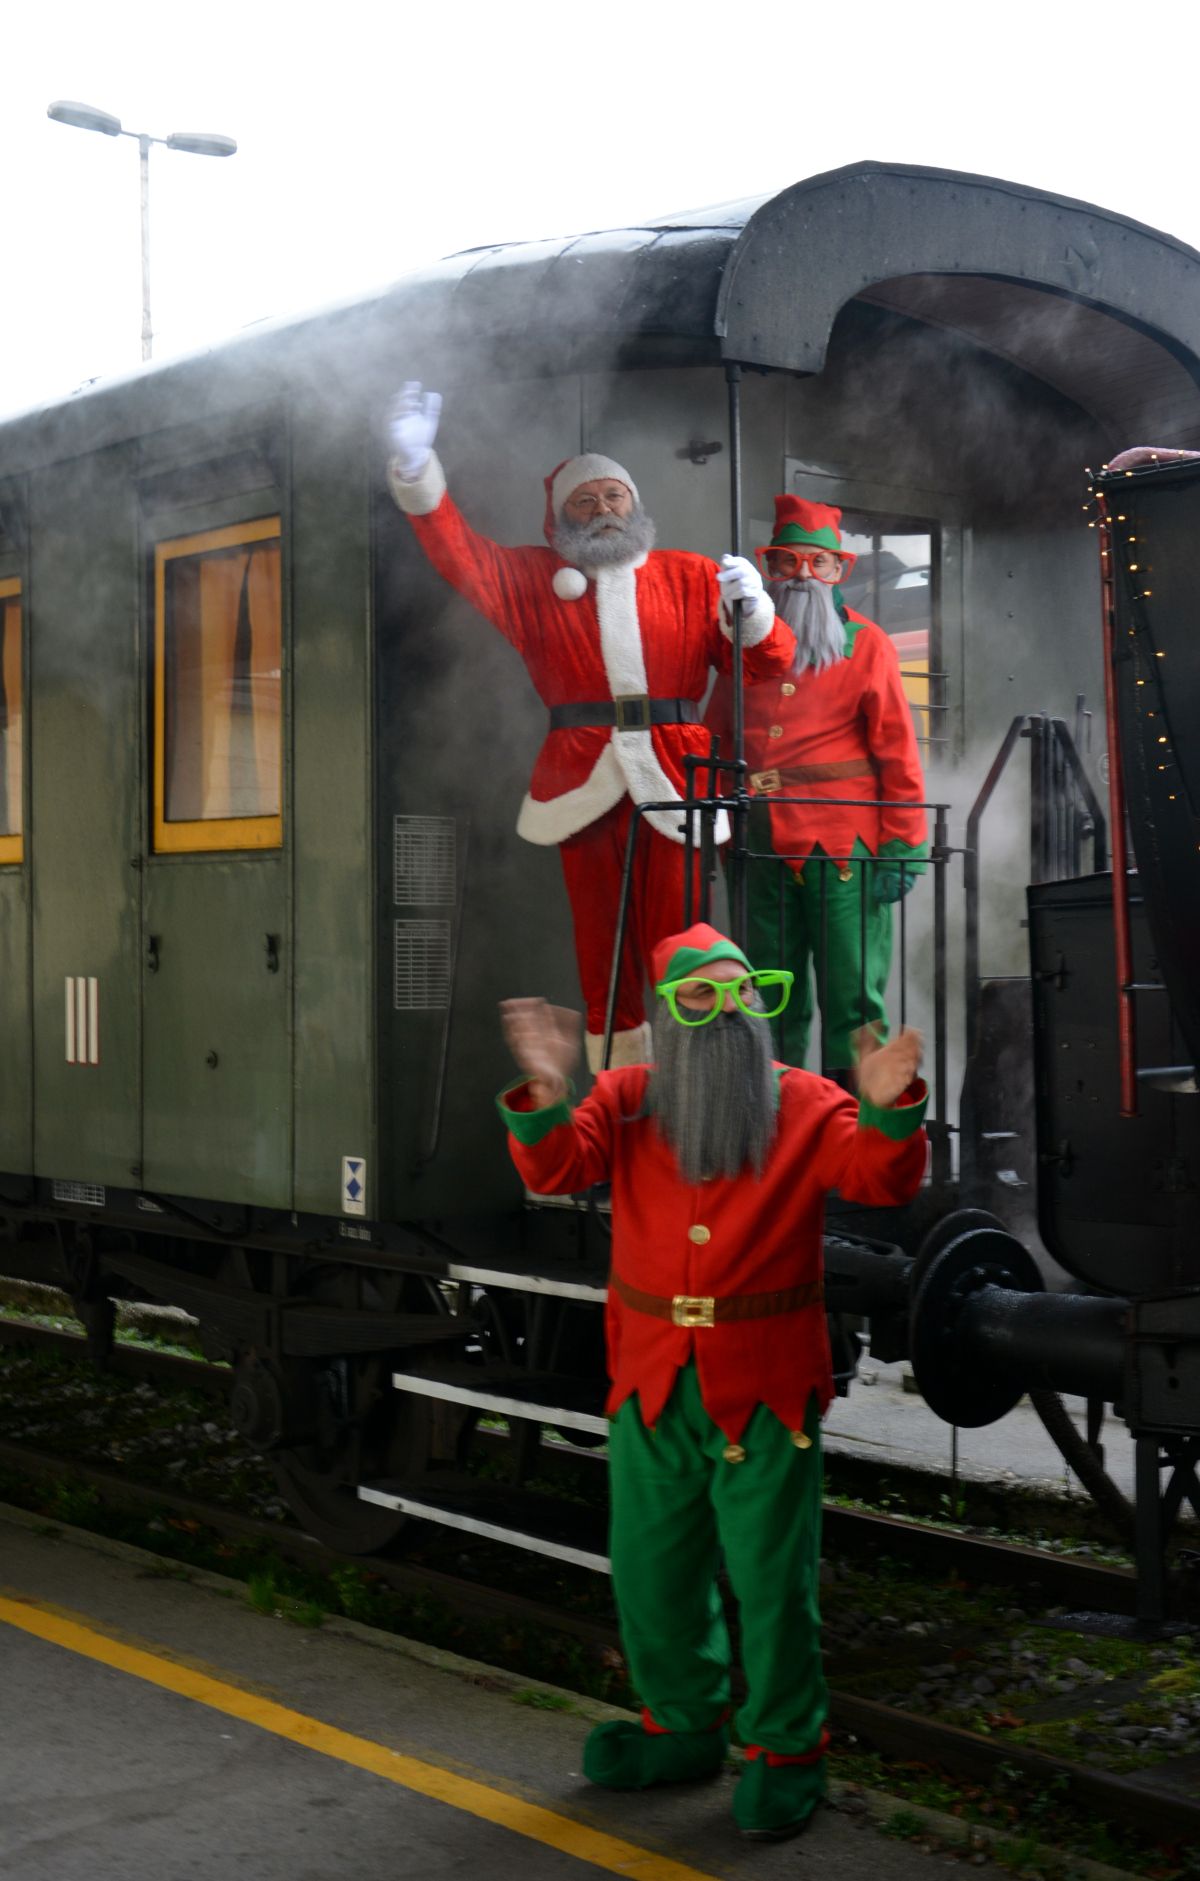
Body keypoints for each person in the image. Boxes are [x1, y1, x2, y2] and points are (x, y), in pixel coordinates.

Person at [496, 921, 927, 1840]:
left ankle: (788, 1751)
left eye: (745, 991)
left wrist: (890, 1110)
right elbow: (559, 1165)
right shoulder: (627, 1098)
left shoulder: (804, 1100)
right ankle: (681, 1726)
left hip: (766, 1386)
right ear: (667, 1013)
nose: (729, 1008)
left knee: (772, 1582)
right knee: (653, 1573)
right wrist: (546, 1093)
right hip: (652, 1379)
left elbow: (878, 1177)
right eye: (703, 993)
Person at [386, 384, 795, 1070]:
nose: (603, 509)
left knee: (685, 945)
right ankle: (620, 1096)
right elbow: (458, 552)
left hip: (678, 776)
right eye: (585, 500)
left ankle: (692, 1088)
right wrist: (415, 467)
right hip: (581, 778)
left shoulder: (693, 576)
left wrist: (751, 607)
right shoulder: (530, 580)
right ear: (560, 518)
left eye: (614, 496)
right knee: (602, 949)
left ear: (635, 506)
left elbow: (766, 663)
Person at [706, 496, 928, 1074]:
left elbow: (898, 752)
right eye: (789, 561)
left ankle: (855, 1117)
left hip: (844, 843)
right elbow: (715, 737)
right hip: (758, 841)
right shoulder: (741, 648)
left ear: (837, 571)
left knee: (852, 993)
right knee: (767, 990)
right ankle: (777, 1108)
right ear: (770, 567)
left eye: (818, 562)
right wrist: (716, 827)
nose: (803, 575)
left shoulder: (868, 643)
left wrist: (903, 845)